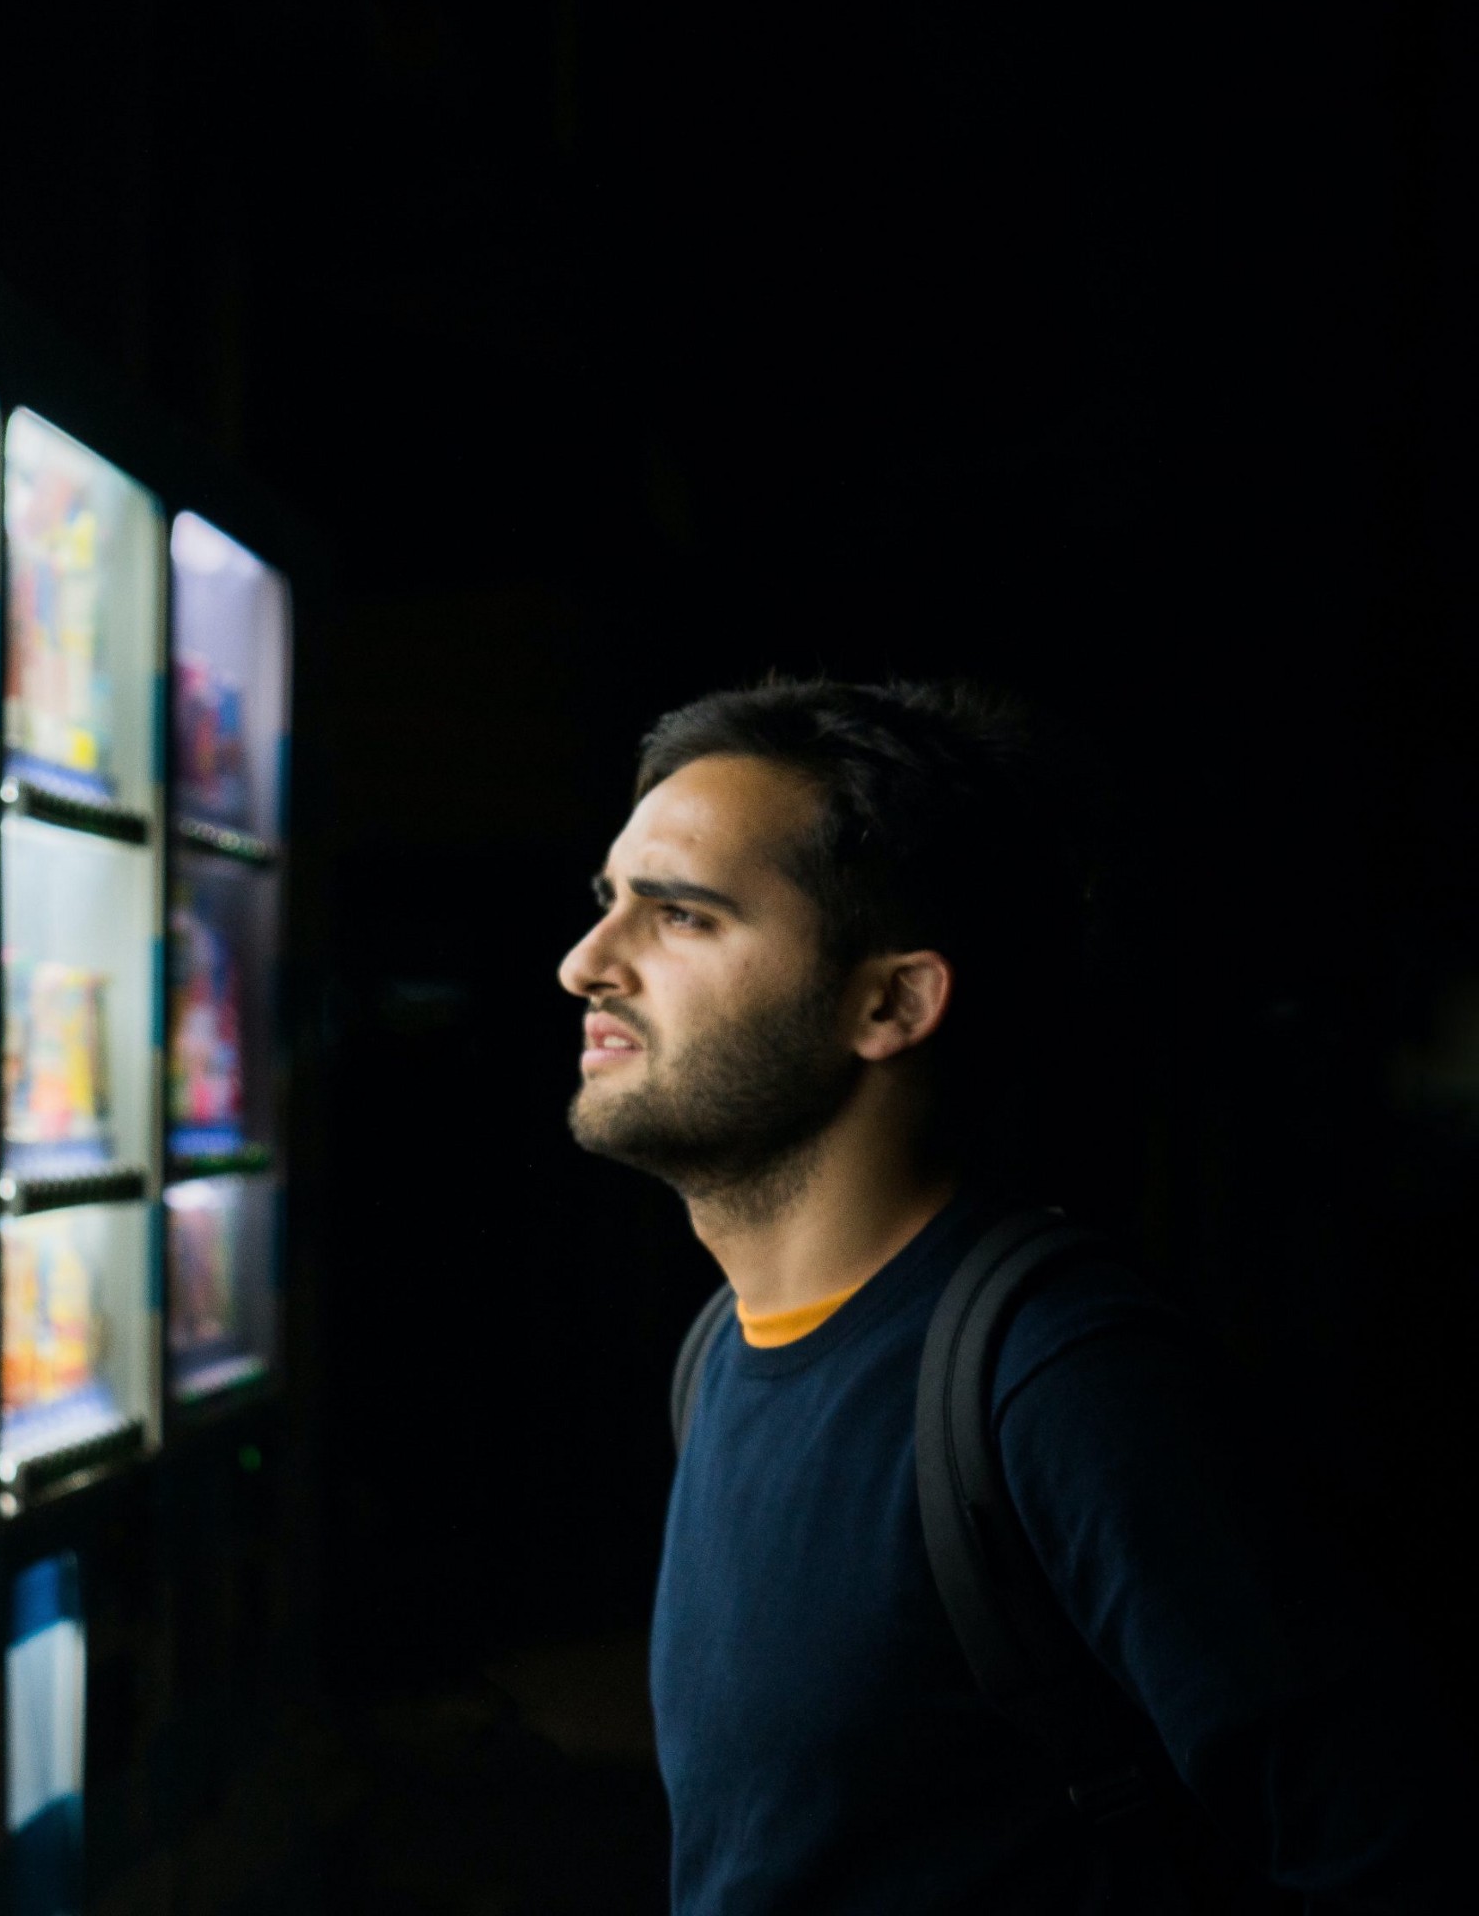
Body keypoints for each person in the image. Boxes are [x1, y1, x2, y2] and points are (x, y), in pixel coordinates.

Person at [557, 678, 1457, 1911]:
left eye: (681, 915)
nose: (584, 964)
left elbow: (1385, 1845)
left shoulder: (1061, 1377)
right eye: (609, 902)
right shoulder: (719, 1348)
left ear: (891, 1002)